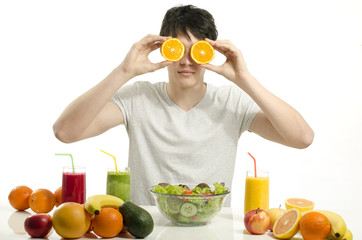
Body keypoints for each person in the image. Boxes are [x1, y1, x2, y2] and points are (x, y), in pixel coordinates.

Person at [53, 5, 314, 206]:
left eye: (196, 50)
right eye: (178, 49)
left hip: (213, 228)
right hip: (147, 228)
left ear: (210, 51)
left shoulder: (231, 102)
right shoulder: (137, 98)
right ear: (164, 49)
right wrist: (124, 71)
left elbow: (302, 138)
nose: (186, 61)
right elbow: (65, 132)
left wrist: (244, 79)